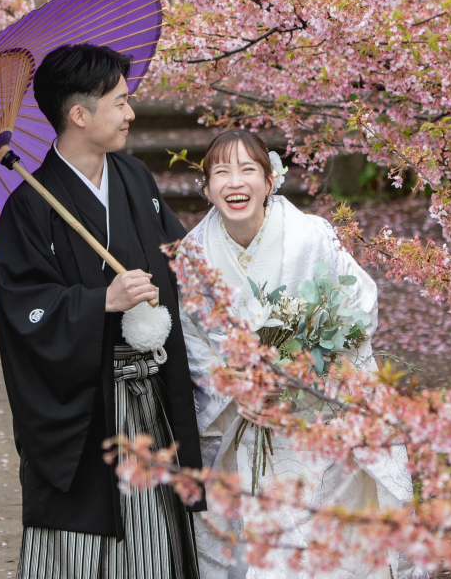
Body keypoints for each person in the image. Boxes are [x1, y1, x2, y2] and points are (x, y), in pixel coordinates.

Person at [0, 43, 202, 579]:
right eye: (121, 102)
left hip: (148, 392)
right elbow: (22, 307)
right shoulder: (30, 207)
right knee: (83, 546)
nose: (131, 113)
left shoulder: (133, 178)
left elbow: (184, 259)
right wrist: (97, 301)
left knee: (156, 534)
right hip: (86, 405)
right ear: (79, 115)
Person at [179, 129, 422, 579]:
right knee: (266, 545)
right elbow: (194, 348)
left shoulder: (310, 236)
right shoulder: (193, 257)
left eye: (248, 170)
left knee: (333, 538)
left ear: (270, 181)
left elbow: (358, 305)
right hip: (246, 420)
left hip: (317, 409)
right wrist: (238, 391)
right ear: (207, 187)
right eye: (222, 172)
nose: (236, 182)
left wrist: (303, 365)